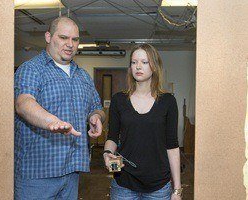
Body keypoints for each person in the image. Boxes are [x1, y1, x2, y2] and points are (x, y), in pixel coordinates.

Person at [14, 16, 105, 199]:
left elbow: (97, 107)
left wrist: (96, 117)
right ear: (48, 37)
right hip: (36, 175)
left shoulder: (83, 76)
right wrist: (52, 122)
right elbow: (23, 104)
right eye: (63, 37)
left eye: (75, 39)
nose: (70, 44)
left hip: (72, 171)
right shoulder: (31, 69)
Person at [103, 44, 182, 200]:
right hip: (123, 184)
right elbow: (112, 136)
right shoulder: (119, 100)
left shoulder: (168, 101)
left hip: (158, 187)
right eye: (134, 62)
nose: (138, 66)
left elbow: (172, 146)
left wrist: (177, 190)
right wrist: (107, 153)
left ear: (154, 66)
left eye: (144, 62)